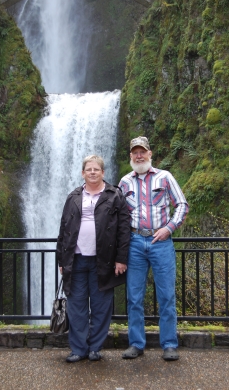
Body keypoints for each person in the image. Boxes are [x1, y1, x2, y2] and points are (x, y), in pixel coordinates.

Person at [119, 136, 189, 361]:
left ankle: (169, 344)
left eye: (143, 152)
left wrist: (169, 228)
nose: (139, 156)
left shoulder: (165, 177)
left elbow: (182, 204)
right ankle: (136, 343)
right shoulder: (124, 183)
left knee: (166, 295)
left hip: (161, 243)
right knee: (134, 296)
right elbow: (118, 215)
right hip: (135, 242)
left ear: (150, 154)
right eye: (135, 152)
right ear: (131, 156)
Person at [56, 155, 130, 362]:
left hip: (103, 260)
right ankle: (78, 349)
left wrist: (121, 258)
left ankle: (95, 348)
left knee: (101, 306)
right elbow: (63, 229)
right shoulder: (73, 197)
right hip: (77, 259)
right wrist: (61, 260)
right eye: (89, 169)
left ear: (103, 172)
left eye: (96, 169)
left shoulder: (115, 195)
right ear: (83, 173)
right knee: (76, 305)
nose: (92, 172)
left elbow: (124, 230)